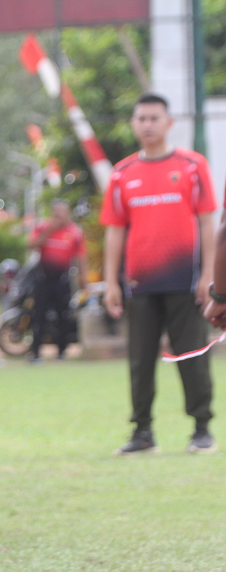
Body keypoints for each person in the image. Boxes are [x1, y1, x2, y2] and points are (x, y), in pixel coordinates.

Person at [102, 93, 217, 455]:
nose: (147, 125)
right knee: (140, 359)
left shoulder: (193, 166)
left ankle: (201, 429)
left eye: (154, 118)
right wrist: (110, 281)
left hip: (186, 283)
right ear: (134, 124)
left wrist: (209, 276)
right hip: (140, 284)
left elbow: (208, 223)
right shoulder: (122, 174)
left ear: (169, 124)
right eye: (141, 119)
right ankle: (142, 433)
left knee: (193, 354)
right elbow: (115, 230)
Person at [26, 200, 86, 362]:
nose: (59, 216)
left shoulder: (74, 232)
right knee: (38, 315)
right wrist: (49, 231)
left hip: (62, 280)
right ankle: (36, 352)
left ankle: (61, 352)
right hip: (42, 280)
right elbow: (31, 245)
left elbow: (81, 257)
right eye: (56, 212)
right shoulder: (43, 227)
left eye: (62, 212)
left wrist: (83, 280)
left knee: (63, 315)